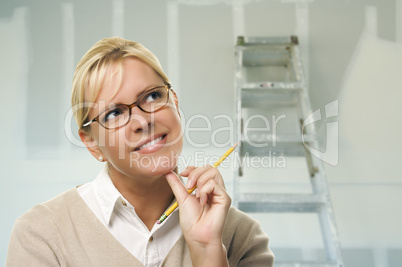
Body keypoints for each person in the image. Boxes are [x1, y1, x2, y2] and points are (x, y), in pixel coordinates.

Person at [6, 37, 274, 267]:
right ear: (91, 144)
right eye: (114, 113)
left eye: (153, 97)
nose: (143, 121)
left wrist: (207, 253)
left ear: (175, 103)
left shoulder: (242, 237)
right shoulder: (41, 236)